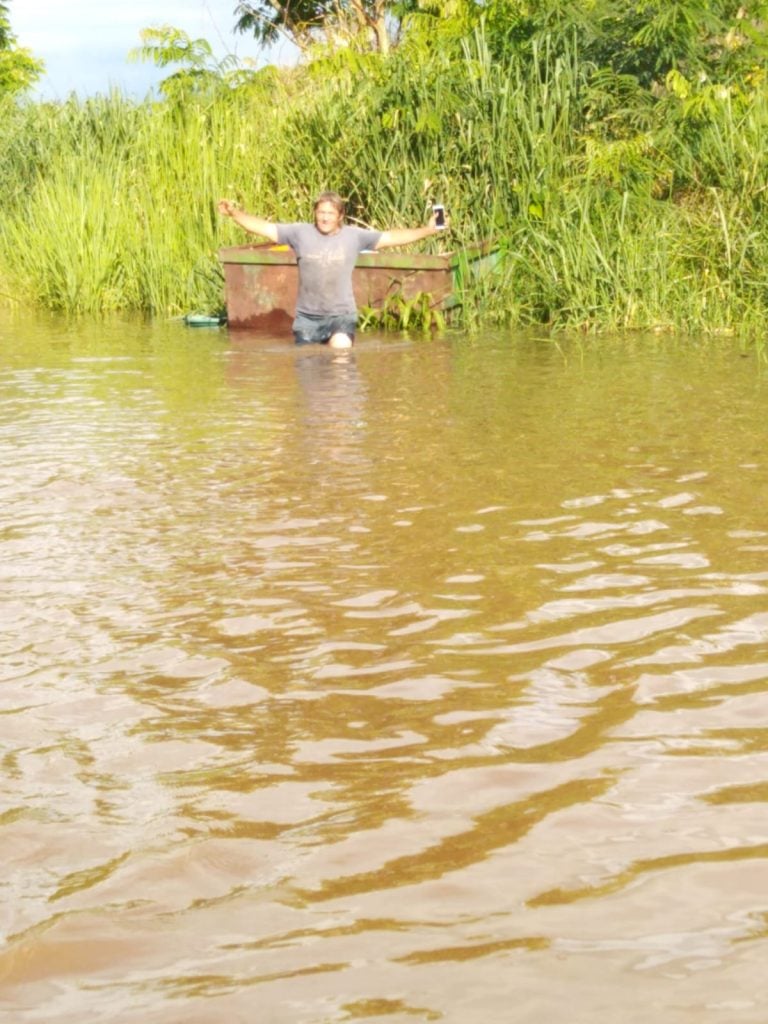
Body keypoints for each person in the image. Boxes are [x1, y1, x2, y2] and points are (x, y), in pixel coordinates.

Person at [217, 191, 447, 348]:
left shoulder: (355, 236)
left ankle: (340, 415)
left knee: (340, 357)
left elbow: (391, 237)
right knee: (309, 367)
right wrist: (235, 214)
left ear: (340, 216)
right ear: (315, 213)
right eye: (320, 213)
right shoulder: (299, 233)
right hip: (307, 318)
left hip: (340, 315)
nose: (324, 218)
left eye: (330, 214)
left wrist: (426, 230)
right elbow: (264, 228)